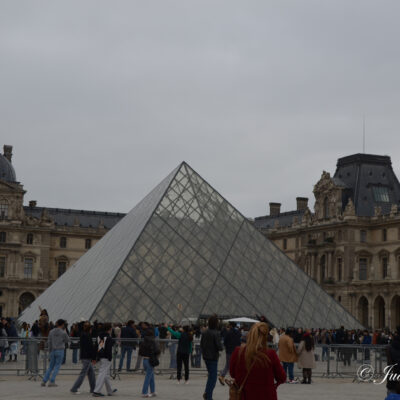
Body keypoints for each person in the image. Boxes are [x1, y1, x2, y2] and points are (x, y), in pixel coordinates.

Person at [230, 322, 286, 399]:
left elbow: (232, 373)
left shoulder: (238, 351)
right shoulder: (271, 354)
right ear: (266, 336)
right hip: (266, 396)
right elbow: (282, 377)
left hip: (244, 396)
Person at [41, 319, 69, 387]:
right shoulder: (63, 332)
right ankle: (52, 381)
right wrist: (65, 332)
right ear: (62, 325)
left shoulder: (51, 331)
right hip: (60, 350)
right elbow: (67, 340)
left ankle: (44, 381)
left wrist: (50, 350)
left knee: (50, 367)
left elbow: (49, 342)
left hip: (52, 350)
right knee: (57, 366)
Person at [200, 315, 223, 400]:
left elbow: (202, 344)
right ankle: (208, 396)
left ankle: (207, 393)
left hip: (206, 357)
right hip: (213, 357)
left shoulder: (205, 332)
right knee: (213, 378)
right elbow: (219, 347)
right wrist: (221, 346)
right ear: (216, 323)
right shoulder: (216, 333)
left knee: (211, 376)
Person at [70, 321, 96, 394]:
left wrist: (83, 323)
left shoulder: (83, 334)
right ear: (90, 329)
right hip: (87, 357)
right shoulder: (87, 336)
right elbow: (90, 347)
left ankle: (93, 388)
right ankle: (74, 388)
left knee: (91, 373)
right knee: (83, 373)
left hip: (84, 356)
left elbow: (80, 326)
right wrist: (93, 357)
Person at [92, 323, 117, 397]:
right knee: (103, 373)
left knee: (105, 374)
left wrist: (94, 357)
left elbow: (98, 346)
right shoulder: (108, 337)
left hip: (101, 356)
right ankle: (96, 391)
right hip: (106, 357)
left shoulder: (100, 336)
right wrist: (109, 357)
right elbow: (108, 349)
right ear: (109, 329)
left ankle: (110, 390)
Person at [139, 329, 160, 398]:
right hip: (150, 360)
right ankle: (144, 392)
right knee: (148, 377)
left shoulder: (143, 341)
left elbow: (140, 352)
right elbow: (157, 351)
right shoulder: (153, 341)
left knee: (151, 376)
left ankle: (152, 391)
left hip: (144, 360)